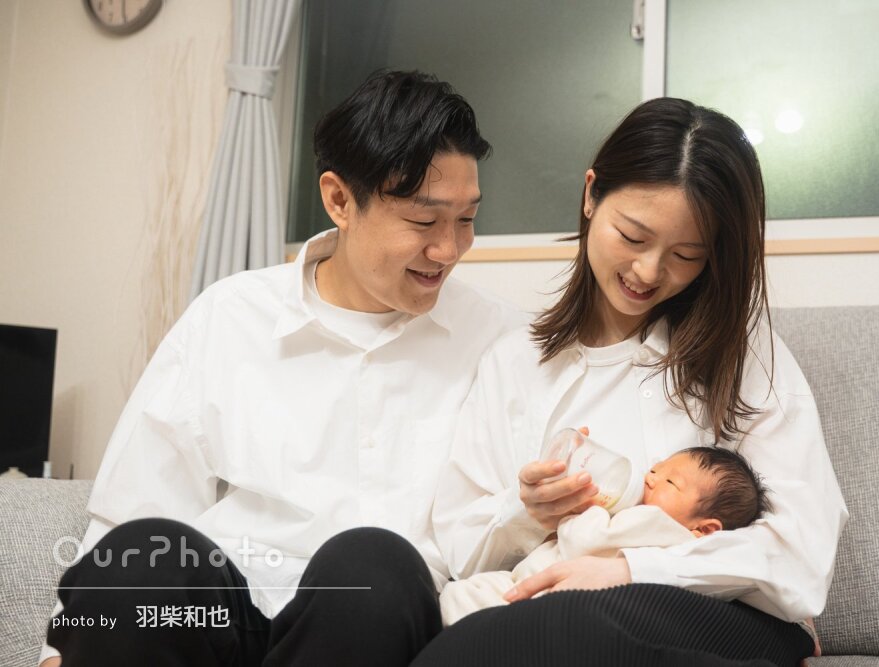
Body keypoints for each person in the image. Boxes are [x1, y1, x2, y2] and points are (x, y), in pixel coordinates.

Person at [39, 70, 526, 667]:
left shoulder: (499, 339)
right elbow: (137, 504)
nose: (448, 249)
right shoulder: (231, 315)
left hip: (374, 627)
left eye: (467, 219)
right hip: (228, 621)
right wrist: (59, 651)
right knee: (140, 557)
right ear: (339, 200)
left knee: (372, 567)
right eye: (424, 222)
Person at [419, 97, 848, 667]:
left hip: (712, 612)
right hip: (557, 609)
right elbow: (460, 549)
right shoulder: (517, 362)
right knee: (483, 634)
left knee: (551, 627)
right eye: (633, 236)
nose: (649, 272)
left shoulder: (744, 355)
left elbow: (800, 553)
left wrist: (626, 568)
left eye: (686, 254)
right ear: (591, 196)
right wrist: (529, 512)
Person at [439, 445, 772, 626]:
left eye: (671, 482)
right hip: (531, 586)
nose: (651, 478)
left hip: (543, 596)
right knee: (462, 597)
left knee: (461, 598)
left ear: (705, 529)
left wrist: (586, 509)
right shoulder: (661, 529)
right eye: (656, 469)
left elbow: (586, 541)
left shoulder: (657, 525)